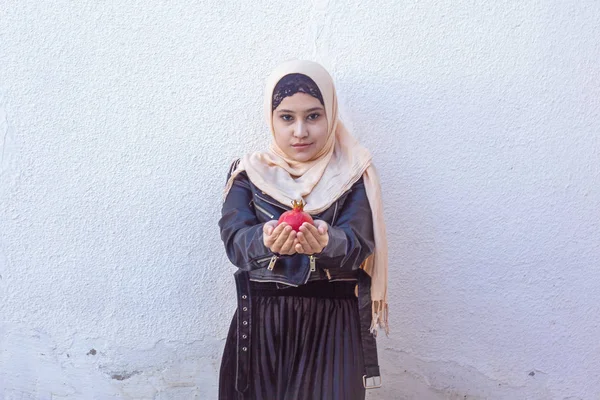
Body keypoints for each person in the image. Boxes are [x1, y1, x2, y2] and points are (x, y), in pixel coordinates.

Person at [218, 60, 389, 400]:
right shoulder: (248, 173)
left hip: (332, 324)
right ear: (271, 118)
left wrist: (327, 240)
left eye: (313, 116)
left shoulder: (354, 174)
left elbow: (360, 243)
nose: (300, 131)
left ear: (331, 114)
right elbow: (235, 242)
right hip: (262, 326)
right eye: (286, 117)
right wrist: (264, 239)